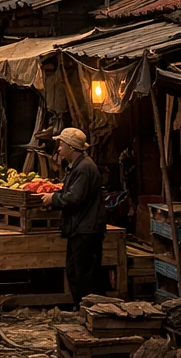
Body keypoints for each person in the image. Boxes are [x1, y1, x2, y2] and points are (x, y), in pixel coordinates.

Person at [37, 127, 106, 305]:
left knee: (84, 274)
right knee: (74, 271)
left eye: (62, 144)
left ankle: (91, 309)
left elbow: (75, 198)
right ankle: (82, 308)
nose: (59, 148)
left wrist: (53, 198)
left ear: (71, 147)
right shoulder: (77, 167)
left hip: (86, 229)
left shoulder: (84, 168)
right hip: (79, 227)